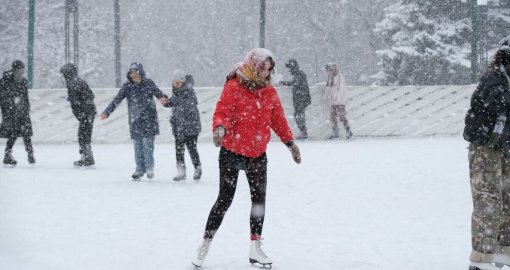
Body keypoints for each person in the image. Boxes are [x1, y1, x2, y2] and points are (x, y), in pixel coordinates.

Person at [191, 48, 302, 269]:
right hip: (231, 151)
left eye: (270, 71)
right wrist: (219, 129)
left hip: (257, 155)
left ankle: (255, 247)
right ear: (254, 66)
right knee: (224, 200)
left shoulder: (269, 92)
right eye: (264, 70)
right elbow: (221, 111)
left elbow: (278, 119)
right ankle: (205, 243)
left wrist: (290, 143)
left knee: (259, 202)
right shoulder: (234, 86)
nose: (267, 75)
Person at [464, 36, 510, 270]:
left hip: (504, 148)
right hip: (485, 149)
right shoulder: (494, 80)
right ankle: (481, 260)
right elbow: (499, 104)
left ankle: (504, 253)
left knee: (507, 201)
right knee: (488, 202)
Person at [100, 62, 167, 180]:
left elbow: (159, 94)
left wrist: (163, 98)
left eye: (137, 75)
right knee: (138, 147)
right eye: (132, 75)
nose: (135, 77)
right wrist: (107, 112)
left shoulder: (149, 84)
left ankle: (149, 168)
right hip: (135, 121)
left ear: (141, 74)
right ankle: (139, 169)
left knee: (148, 146)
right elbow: (117, 100)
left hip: (149, 120)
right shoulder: (127, 87)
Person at [161, 70, 202, 181]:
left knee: (191, 148)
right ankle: (181, 172)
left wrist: (171, 101)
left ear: (183, 82)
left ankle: (197, 168)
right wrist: (165, 102)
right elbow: (173, 103)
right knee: (179, 150)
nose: (175, 85)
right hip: (179, 126)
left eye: (178, 83)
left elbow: (186, 106)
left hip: (191, 127)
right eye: (174, 83)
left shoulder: (189, 92)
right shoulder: (177, 93)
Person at [60, 63, 97, 167]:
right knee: (85, 135)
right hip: (89, 112)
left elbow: (76, 101)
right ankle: (88, 156)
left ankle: (87, 157)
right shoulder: (80, 81)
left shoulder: (72, 83)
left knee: (82, 135)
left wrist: (80, 109)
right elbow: (91, 95)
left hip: (85, 113)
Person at [0, 60, 35, 166]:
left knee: (25, 132)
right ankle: (8, 154)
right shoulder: (5, 81)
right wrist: (12, 102)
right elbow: (3, 96)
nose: (22, 72)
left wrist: (26, 107)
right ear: (15, 70)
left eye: (23, 70)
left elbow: (25, 95)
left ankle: (30, 154)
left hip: (21, 110)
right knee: (13, 133)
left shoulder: (23, 81)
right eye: (20, 70)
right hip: (11, 111)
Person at [278, 58, 311, 140]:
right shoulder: (298, 74)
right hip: (300, 99)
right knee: (298, 115)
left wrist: (285, 83)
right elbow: (295, 83)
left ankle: (304, 133)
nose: (289, 70)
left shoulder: (300, 74)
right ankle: (303, 132)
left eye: (289, 68)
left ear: (293, 67)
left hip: (301, 99)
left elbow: (296, 84)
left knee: (298, 115)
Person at [324, 62, 353, 139]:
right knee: (332, 117)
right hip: (333, 101)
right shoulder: (330, 77)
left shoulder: (339, 77)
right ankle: (335, 132)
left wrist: (337, 100)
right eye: (327, 70)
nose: (328, 72)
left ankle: (348, 131)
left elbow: (341, 89)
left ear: (333, 69)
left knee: (341, 116)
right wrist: (326, 98)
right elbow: (328, 88)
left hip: (340, 101)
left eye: (329, 70)